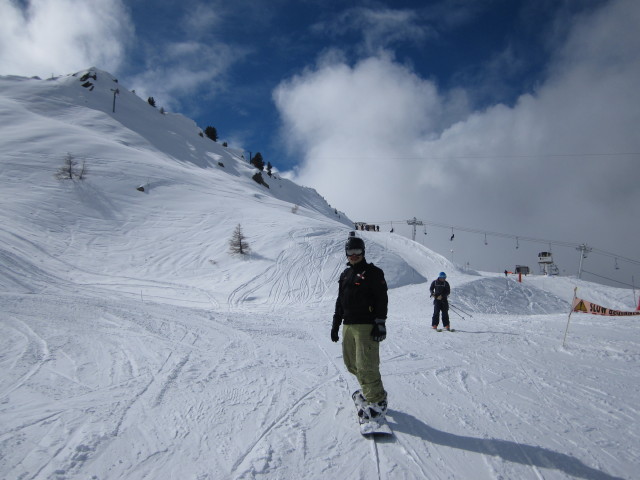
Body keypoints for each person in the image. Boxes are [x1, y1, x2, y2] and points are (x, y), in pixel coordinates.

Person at [331, 233, 388, 422]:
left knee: (366, 365)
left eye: (357, 251)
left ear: (363, 251)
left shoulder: (373, 273)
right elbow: (340, 301)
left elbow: (382, 299)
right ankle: (369, 390)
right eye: (350, 251)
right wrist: (335, 323)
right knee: (351, 364)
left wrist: (380, 323)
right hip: (348, 325)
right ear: (346, 253)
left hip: (366, 326)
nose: (353, 254)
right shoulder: (345, 274)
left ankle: (377, 402)